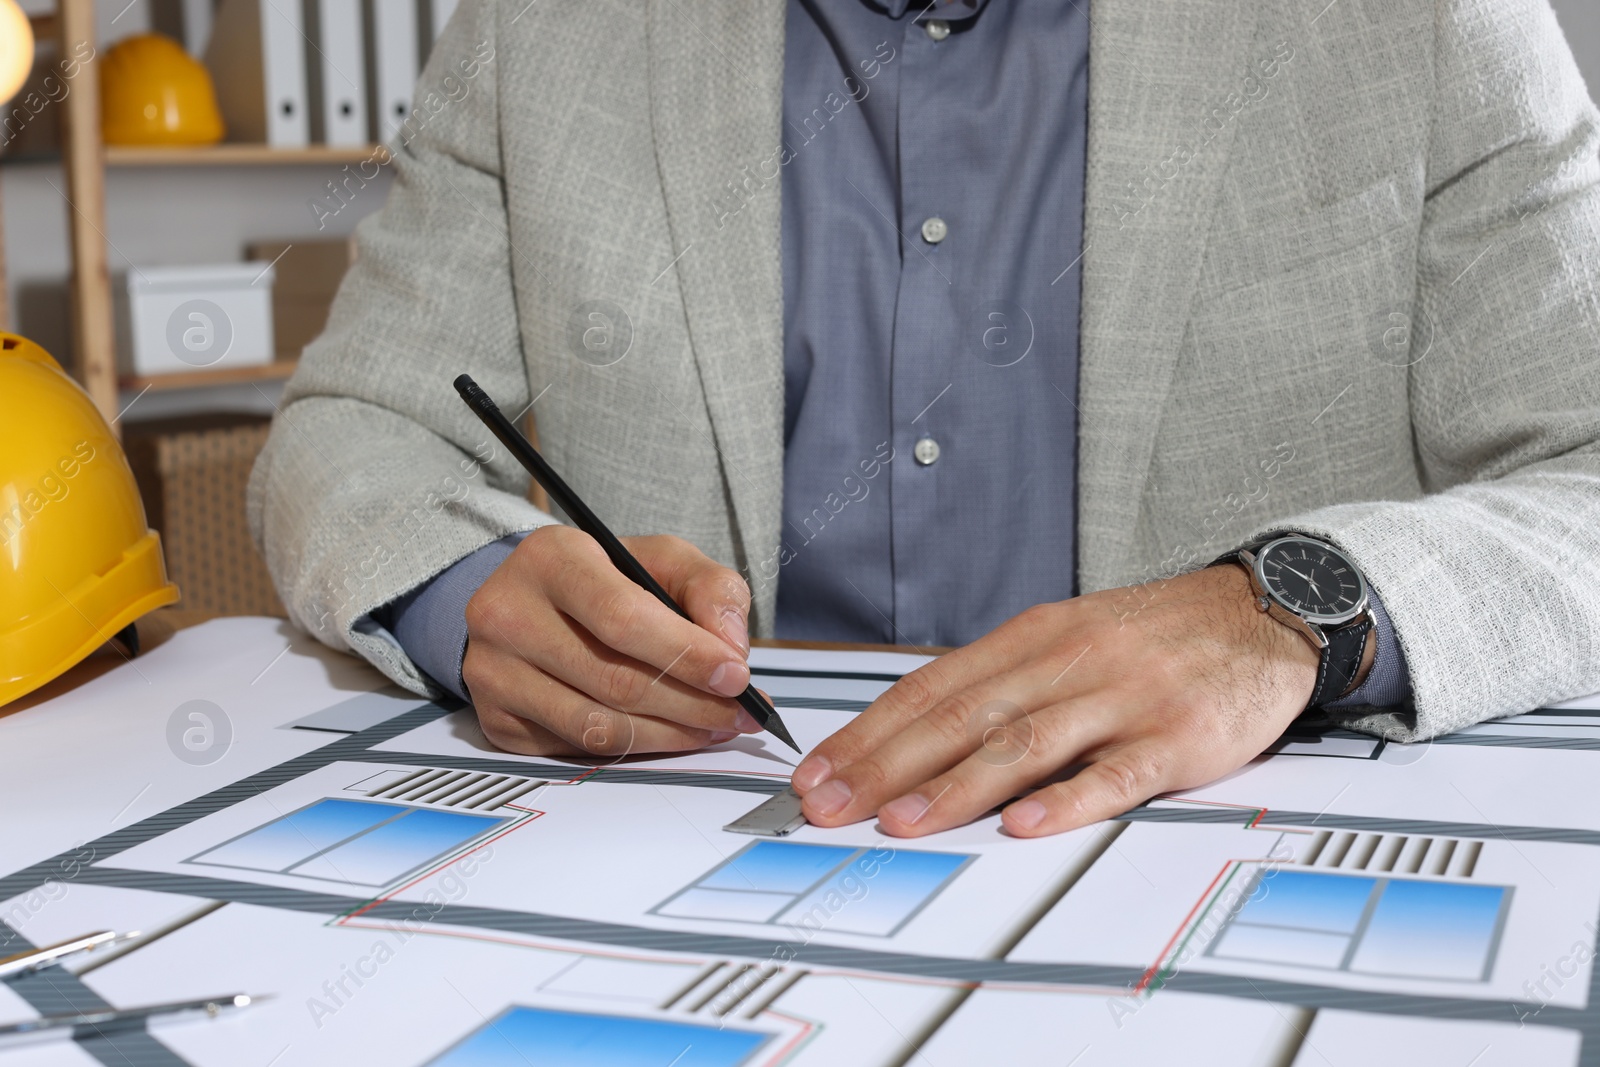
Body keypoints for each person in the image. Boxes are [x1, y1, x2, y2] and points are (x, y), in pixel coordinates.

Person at [250, 0, 1600, 840]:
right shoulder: (544, 28)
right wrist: (471, 588)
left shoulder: (1425, 20)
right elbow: (355, 423)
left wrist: (1287, 617)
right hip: (714, 842)